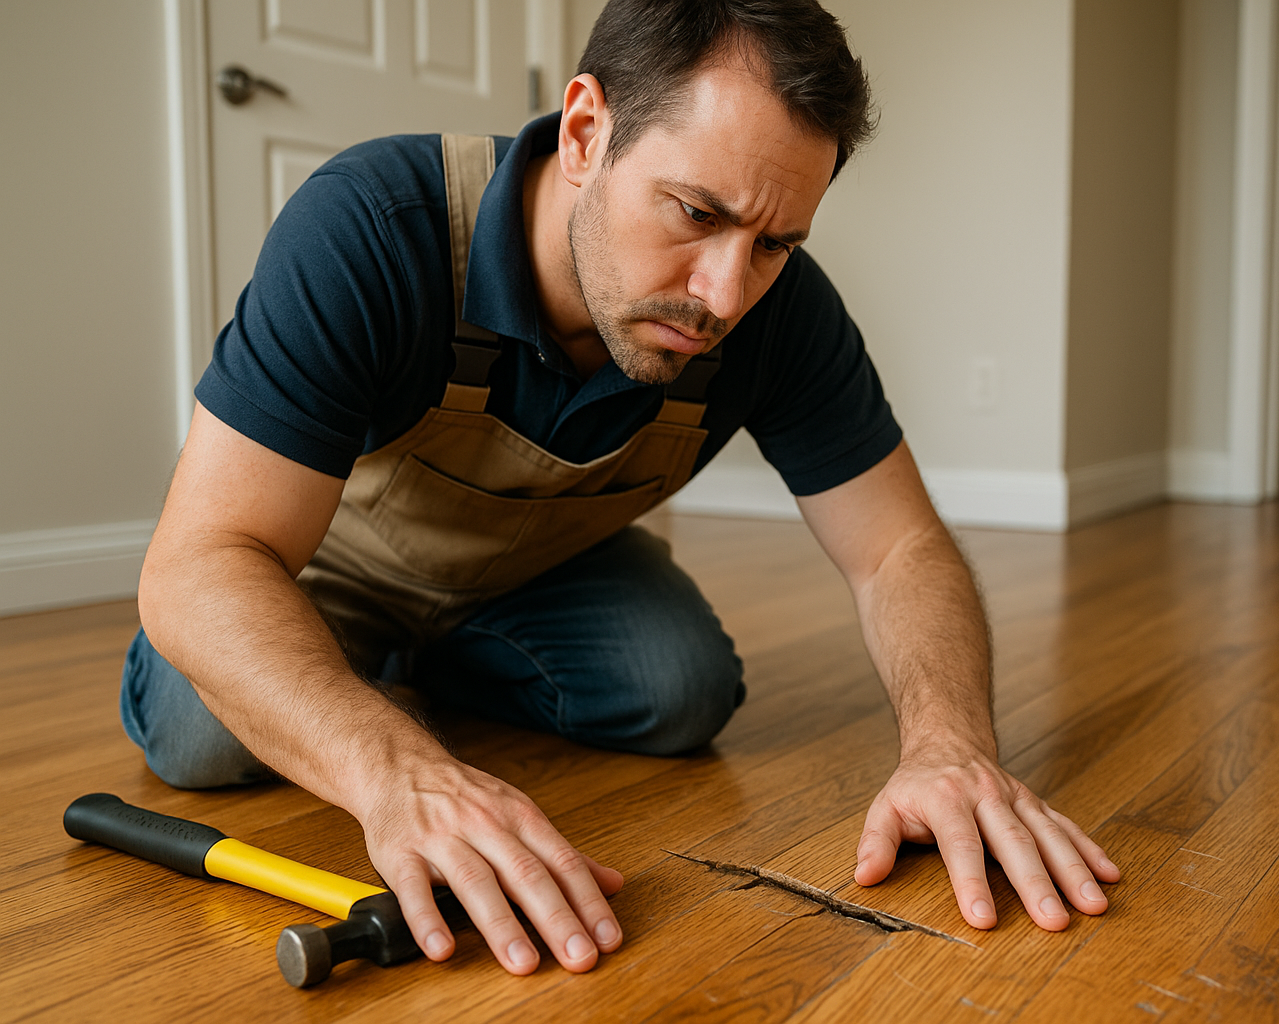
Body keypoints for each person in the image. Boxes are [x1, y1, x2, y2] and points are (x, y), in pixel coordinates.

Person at [125, 0, 1120, 979]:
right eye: (696, 212)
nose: (726, 295)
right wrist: (395, 770)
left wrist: (952, 747)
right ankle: (382, 688)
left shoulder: (779, 317)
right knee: (197, 728)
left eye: (775, 245)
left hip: (530, 576)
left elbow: (900, 547)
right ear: (587, 130)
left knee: (675, 689)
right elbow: (201, 562)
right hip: (325, 568)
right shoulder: (378, 227)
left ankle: (405, 674)